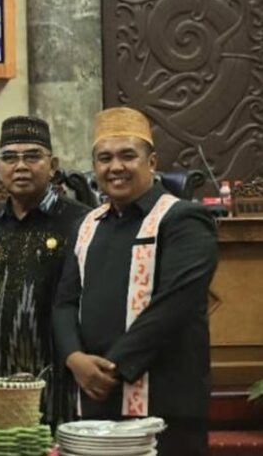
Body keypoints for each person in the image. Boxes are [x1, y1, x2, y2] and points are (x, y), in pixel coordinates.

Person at [54, 107, 218, 456]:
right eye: (104, 158)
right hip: (96, 402)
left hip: (166, 401)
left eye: (128, 155)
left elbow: (174, 306)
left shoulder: (184, 219)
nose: (115, 167)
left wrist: (113, 367)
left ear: (152, 162)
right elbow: (65, 300)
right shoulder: (87, 224)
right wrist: (74, 357)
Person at [0, 116, 89, 426]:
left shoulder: (82, 222)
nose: (20, 166)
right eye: (9, 157)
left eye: (32, 156)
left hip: (62, 379)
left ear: (53, 164)